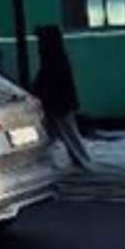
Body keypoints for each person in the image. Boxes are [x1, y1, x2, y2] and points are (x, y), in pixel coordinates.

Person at [33, 25, 93, 171]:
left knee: (57, 135)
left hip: (57, 103)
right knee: (57, 134)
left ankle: (80, 162)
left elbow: (47, 80)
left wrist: (38, 92)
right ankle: (79, 161)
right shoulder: (58, 56)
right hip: (60, 102)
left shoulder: (51, 59)